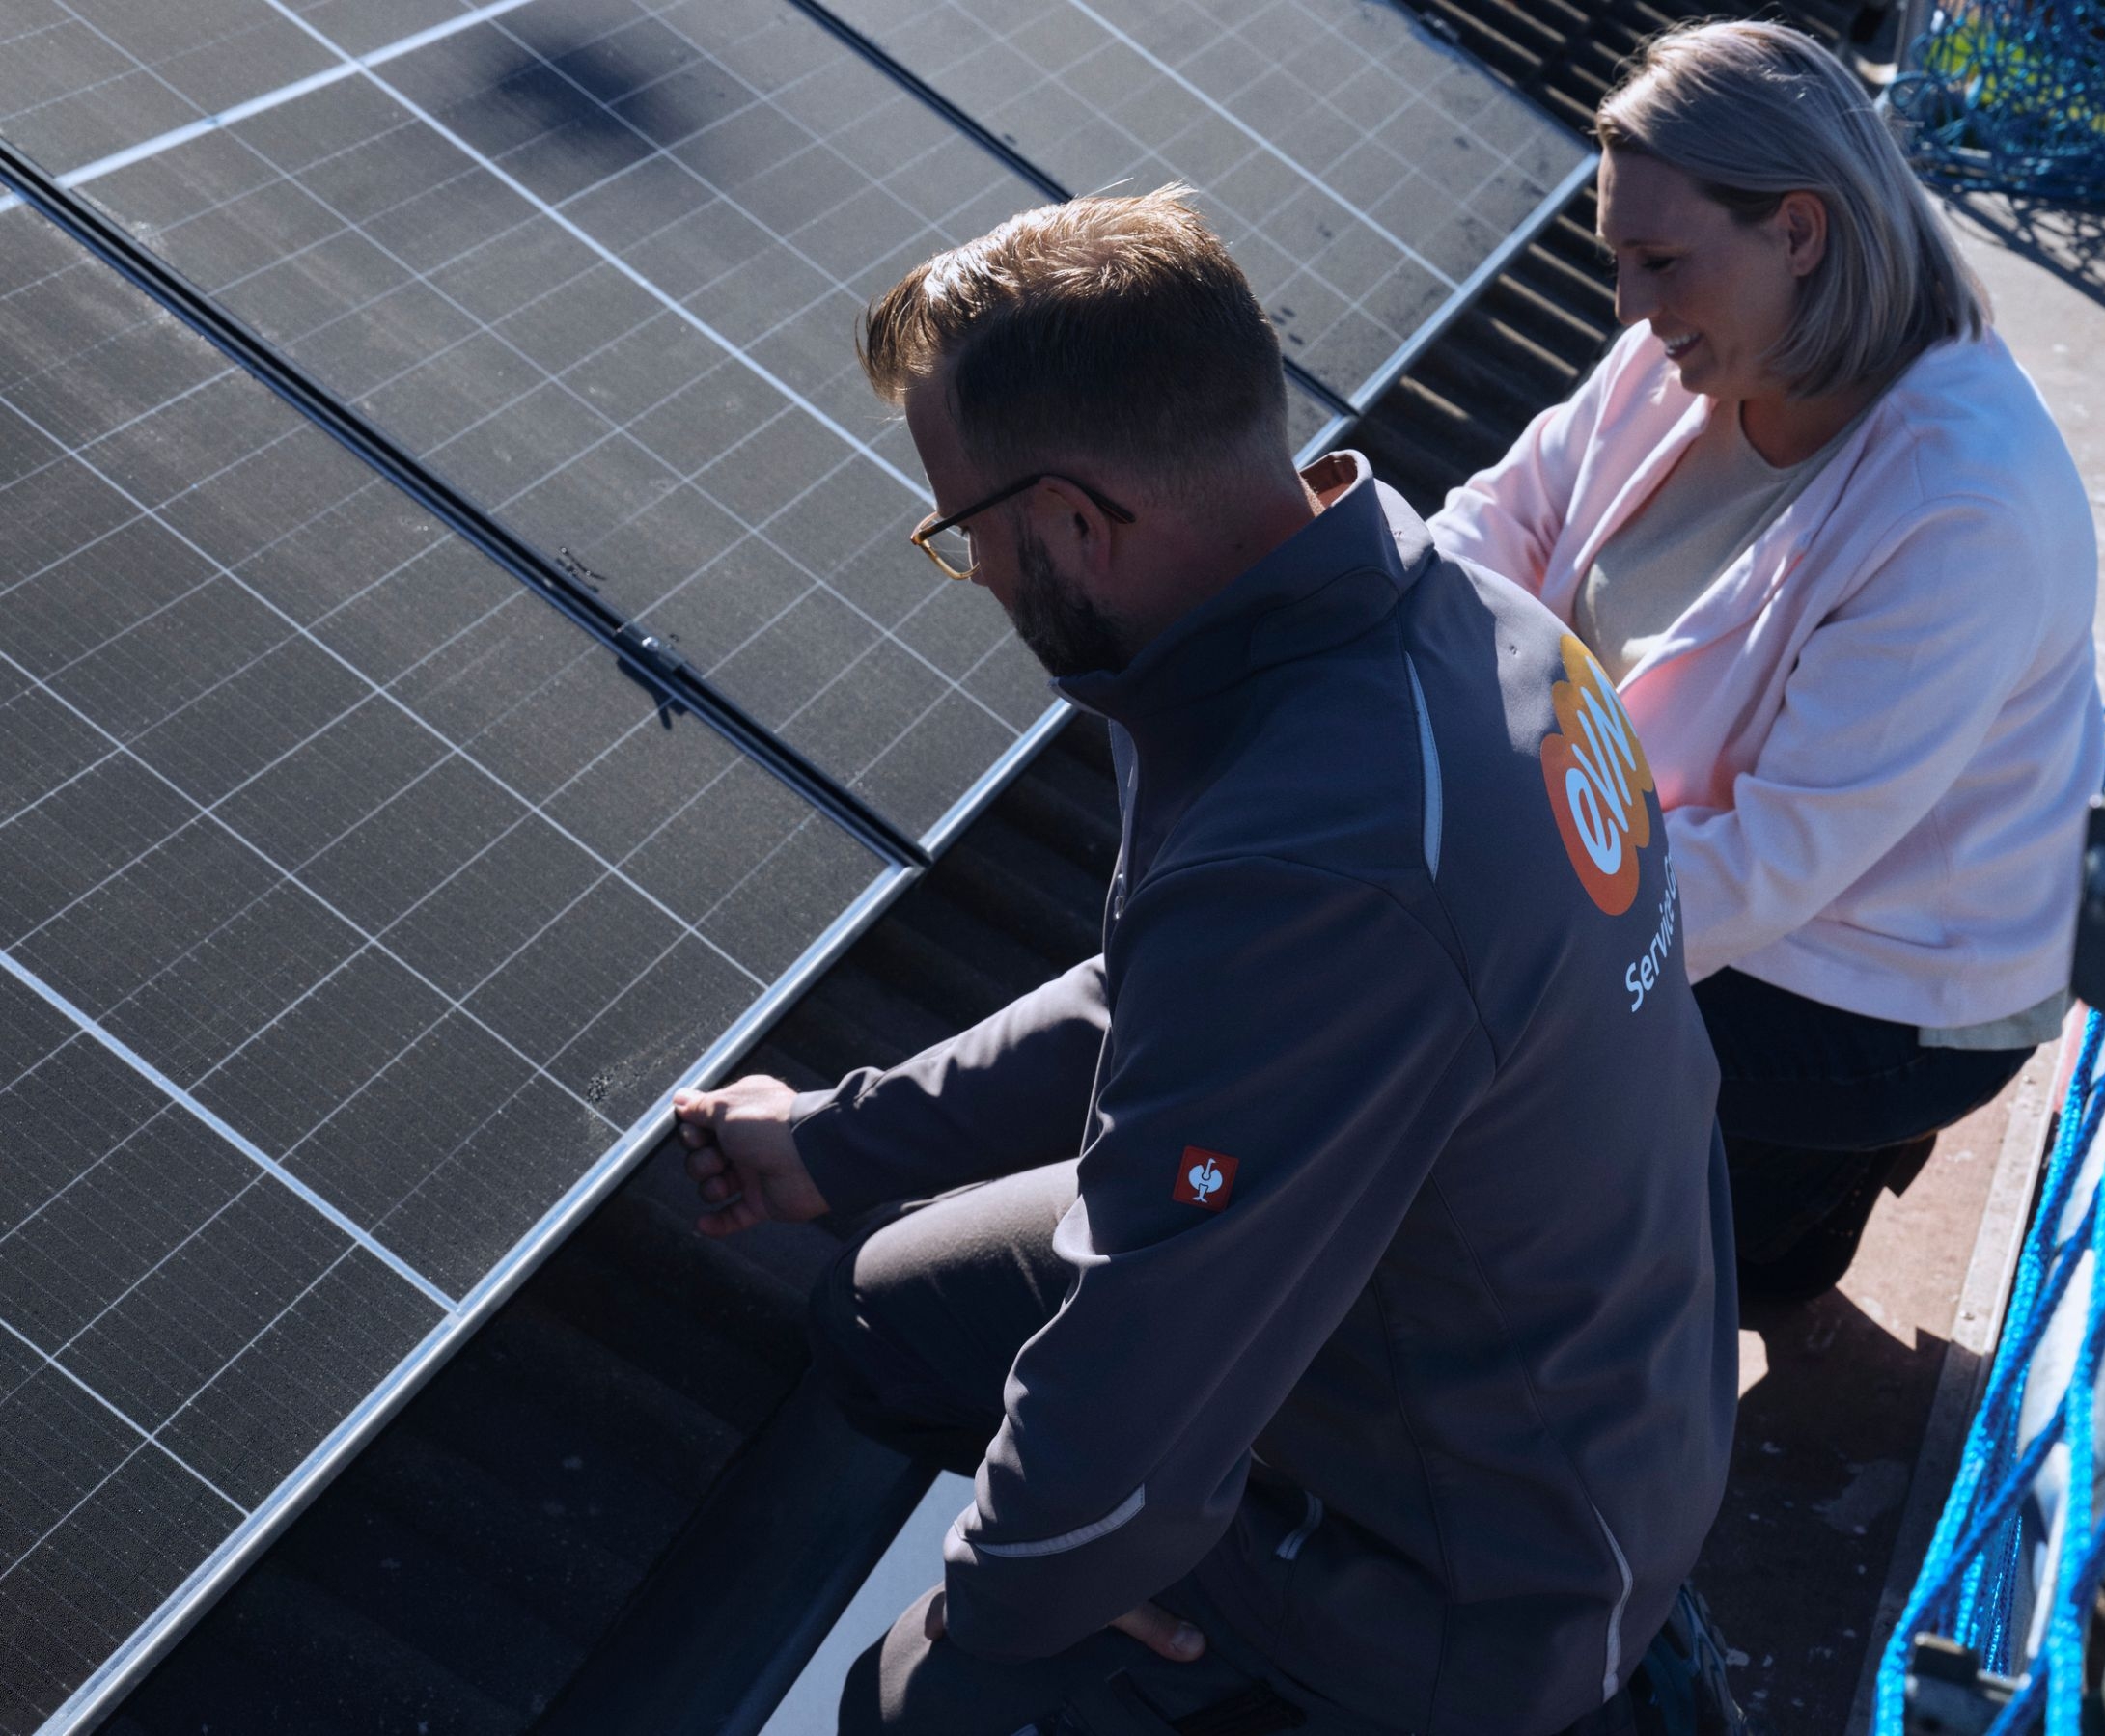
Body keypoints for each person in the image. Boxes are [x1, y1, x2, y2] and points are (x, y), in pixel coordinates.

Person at [671, 187, 1736, 1736]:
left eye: (962, 537)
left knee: (913, 1706)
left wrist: (1043, 1586)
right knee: (888, 1309)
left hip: (1493, 1565)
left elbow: (1132, 1373)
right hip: (1568, 1355)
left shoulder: (1318, 851)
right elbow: (1168, 1000)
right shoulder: (1438, 620)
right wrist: (834, 1142)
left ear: (1071, 527)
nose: (973, 578)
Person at [1430, 22, 2104, 1298]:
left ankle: (1768, 1221)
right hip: (1706, 882)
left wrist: (1481, 910)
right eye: (1617, 259)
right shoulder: (1687, 349)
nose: (1625, 307)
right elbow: (1502, 519)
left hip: (1889, 989)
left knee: (1480, 1076)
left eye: (1659, 261)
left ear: (1798, 232)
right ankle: (1776, 1216)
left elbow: (1770, 863)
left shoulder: (1960, 511)